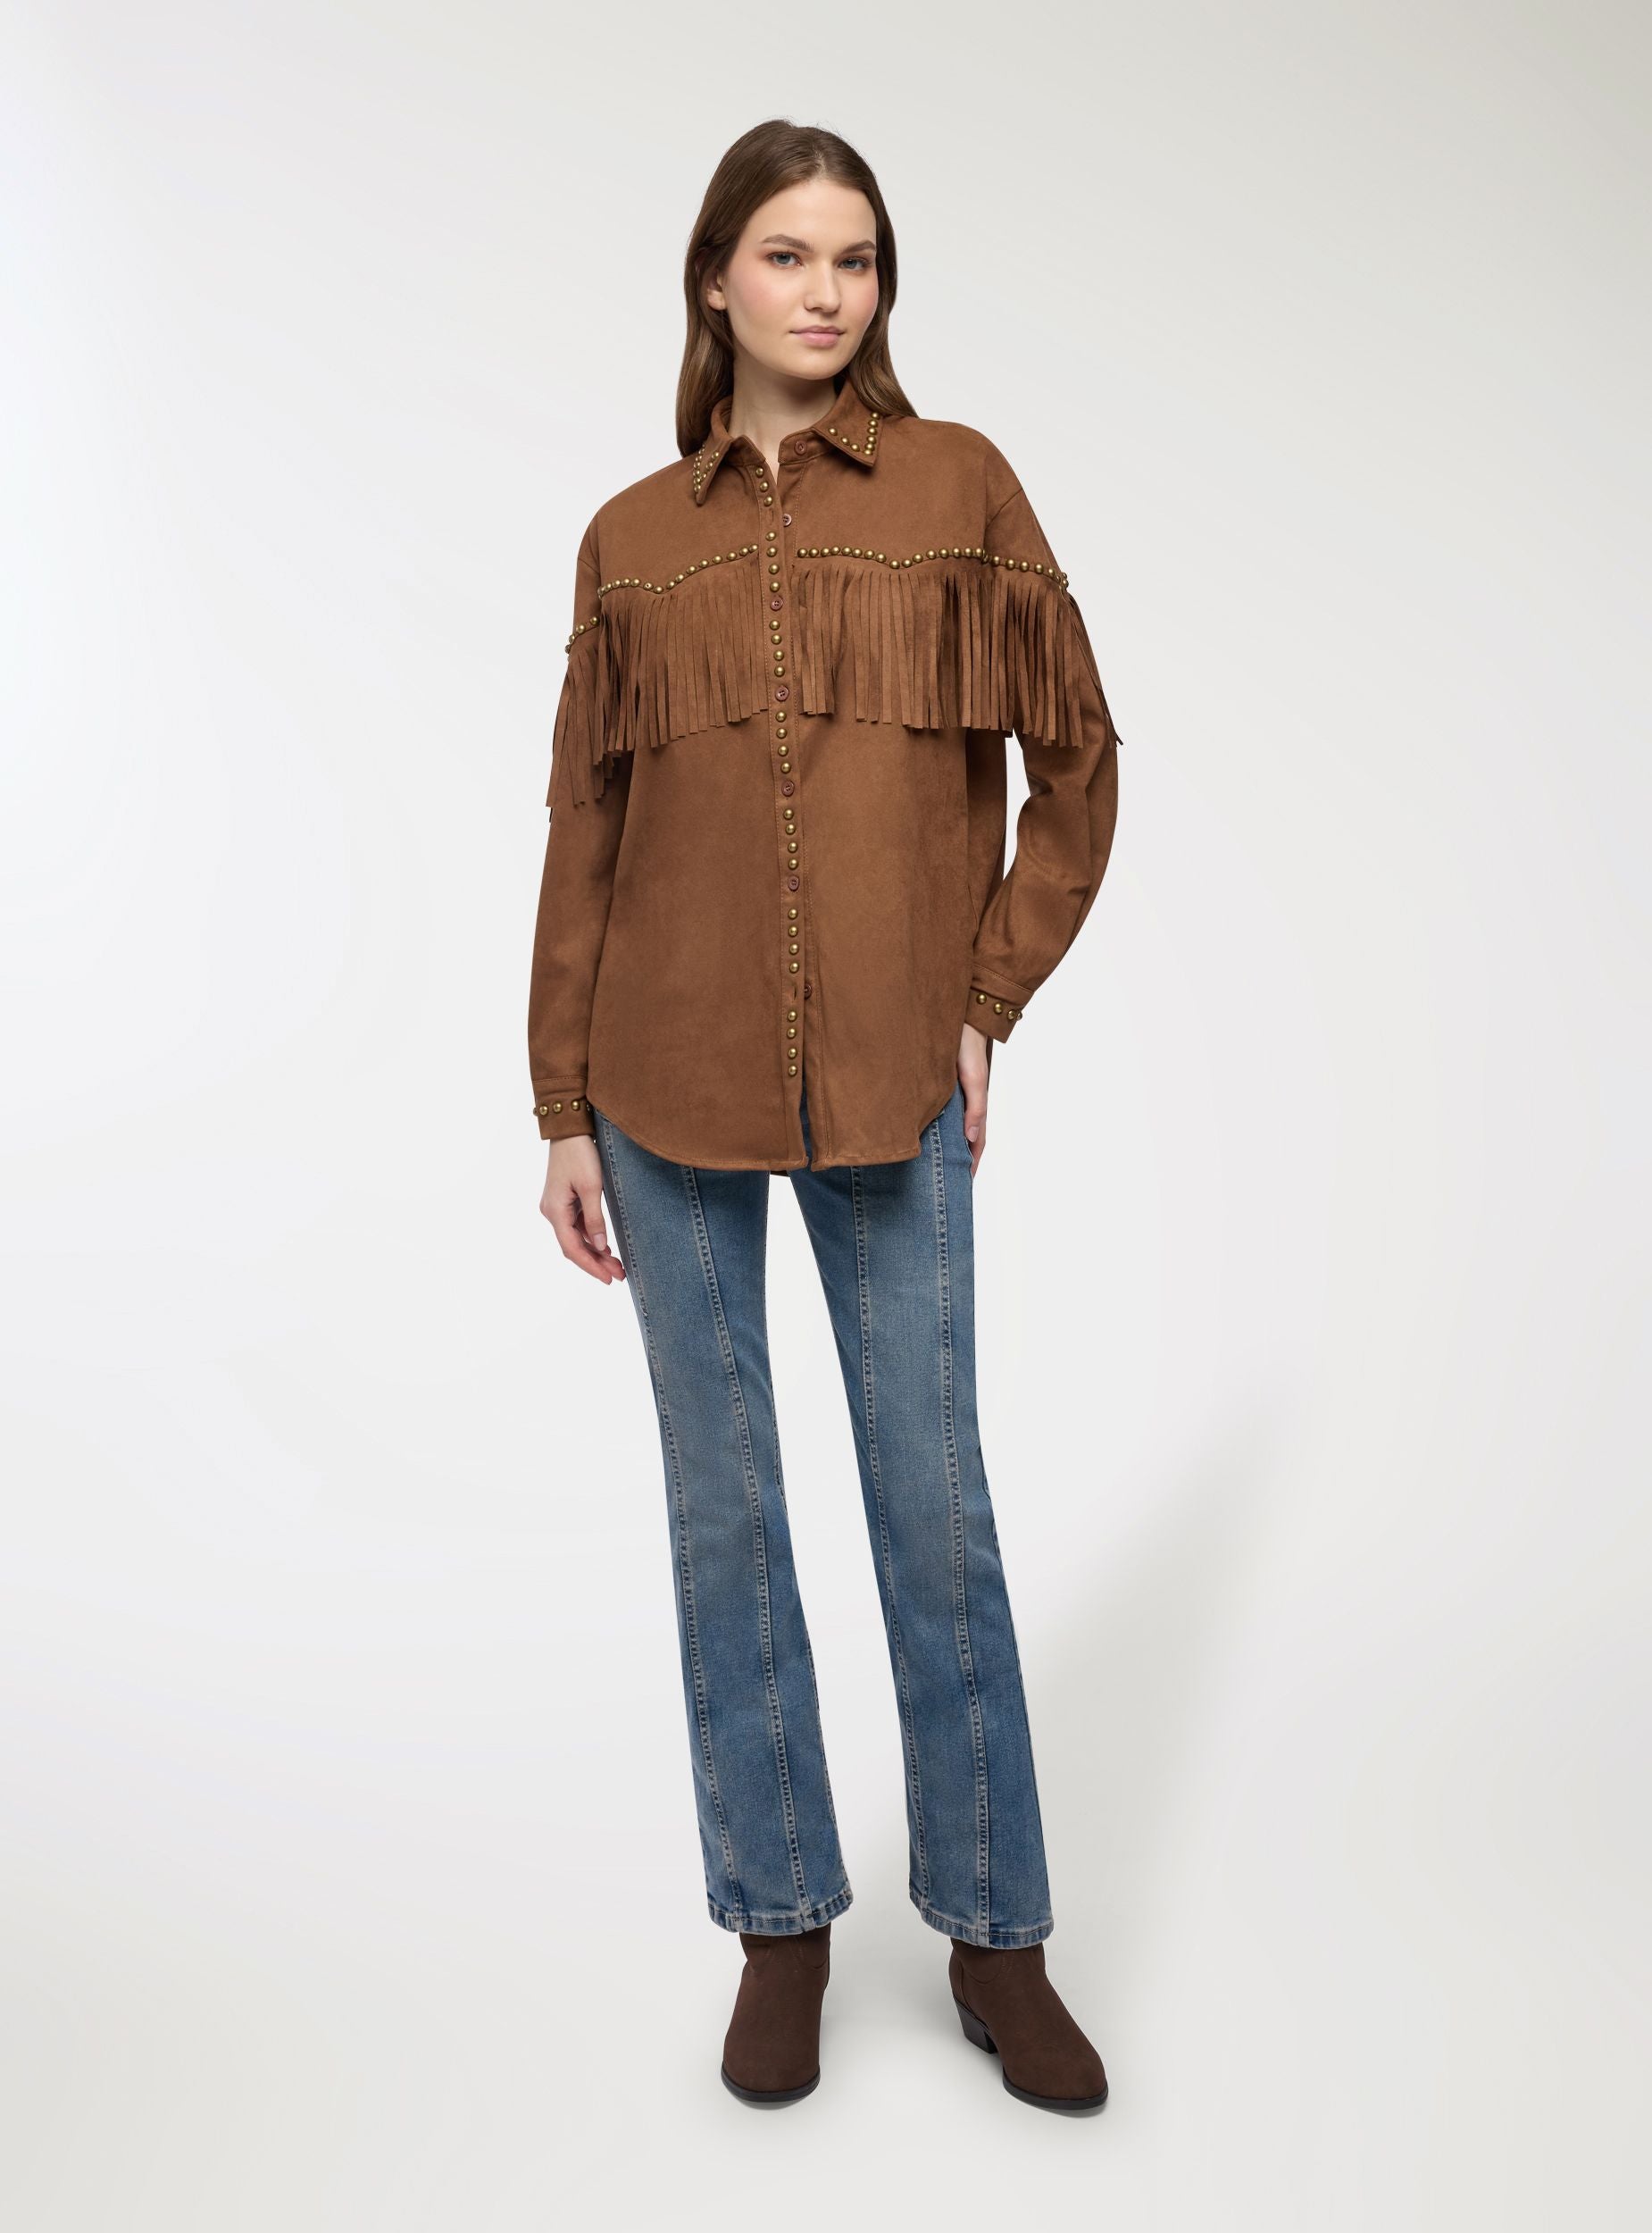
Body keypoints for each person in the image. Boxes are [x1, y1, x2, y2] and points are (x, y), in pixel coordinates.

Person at [528, 119, 1122, 2116]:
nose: (822, 290)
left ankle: (994, 1936)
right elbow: (584, 830)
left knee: (930, 1505)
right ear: (716, 277)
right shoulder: (630, 537)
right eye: (785, 254)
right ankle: (778, 1927)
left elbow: (1078, 758)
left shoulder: (959, 487)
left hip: (890, 1082)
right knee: (724, 1516)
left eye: (854, 258)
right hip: (661, 1082)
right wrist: (559, 1102)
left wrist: (986, 994)